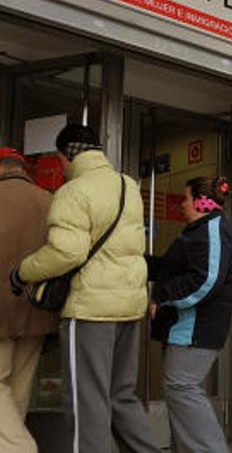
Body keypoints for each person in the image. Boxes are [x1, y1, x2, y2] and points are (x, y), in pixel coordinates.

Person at [10, 125, 160, 453]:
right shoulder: (128, 185)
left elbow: (67, 251)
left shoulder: (74, 191)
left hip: (91, 309)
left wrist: (23, 272)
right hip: (129, 306)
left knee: (86, 400)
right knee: (121, 397)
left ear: (67, 155)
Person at [147, 176, 232, 452]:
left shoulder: (212, 230)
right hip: (185, 328)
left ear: (201, 202)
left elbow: (206, 281)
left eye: (185, 199)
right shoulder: (199, 231)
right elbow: (168, 267)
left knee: (182, 387)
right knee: (179, 389)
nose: (181, 205)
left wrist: (163, 297)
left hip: (195, 328)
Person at [1, 147, 56, 453]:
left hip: (0, 311)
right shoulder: (48, 201)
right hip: (36, 312)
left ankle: (21, 448)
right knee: (19, 391)